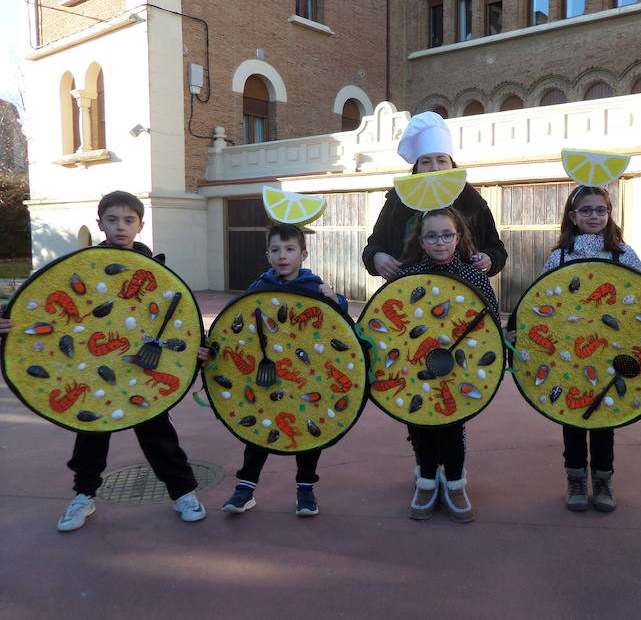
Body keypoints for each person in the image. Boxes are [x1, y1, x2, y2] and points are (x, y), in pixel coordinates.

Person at [54, 191, 206, 531]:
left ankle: (183, 492)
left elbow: (176, 313)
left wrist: (198, 347)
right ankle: (83, 495)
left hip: (142, 368)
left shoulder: (156, 270)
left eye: (128, 220)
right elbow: (52, 304)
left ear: (140, 225)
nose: (120, 227)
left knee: (158, 434)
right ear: (100, 223)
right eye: (112, 219)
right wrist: (10, 322)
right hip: (95, 368)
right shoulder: (82, 268)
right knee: (92, 431)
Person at [220, 223, 347, 517]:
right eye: (276, 250)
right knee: (260, 428)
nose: (282, 256)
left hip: (307, 375)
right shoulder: (258, 289)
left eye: (289, 249)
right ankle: (245, 488)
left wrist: (335, 299)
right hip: (268, 375)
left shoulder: (314, 287)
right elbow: (234, 324)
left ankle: (305, 489)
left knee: (308, 430)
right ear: (267, 254)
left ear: (303, 254)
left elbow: (339, 322)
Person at [540, 185, 641, 513]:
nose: (594, 216)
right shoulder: (559, 256)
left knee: (605, 413)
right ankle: (575, 477)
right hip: (570, 350)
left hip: (611, 348)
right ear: (572, 216)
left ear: (609, 213)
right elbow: (543, 299)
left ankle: (602, 479)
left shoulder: (622, 253)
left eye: (601, 210)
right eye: (586, 210)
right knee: (571, 416)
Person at [396, 207, 499, 523]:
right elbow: (391, 323)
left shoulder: (472, 274)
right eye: (431, 236)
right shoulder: (407, 276)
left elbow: (490, 318)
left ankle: (454, 482)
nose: (440, 242)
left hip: (461, 364)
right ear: (421, 240)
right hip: (418, 364)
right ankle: (427, 480)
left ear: (458, 237)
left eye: (446, 235)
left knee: (454, 423)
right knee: (423, 422)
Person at [362, 112, 507, 281]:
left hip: (463, 294)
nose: (434, 168)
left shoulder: (473, 203)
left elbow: (497, 249)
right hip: (406, 294)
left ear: (451, 164)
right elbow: (373, 245)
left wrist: (490, 259)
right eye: (426, 161)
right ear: (416, 167)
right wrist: (377, 256)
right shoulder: (397, 201)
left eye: (441, 160)